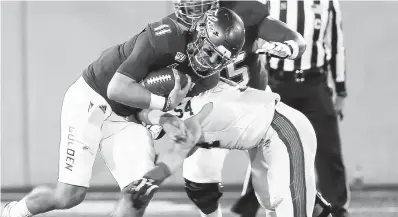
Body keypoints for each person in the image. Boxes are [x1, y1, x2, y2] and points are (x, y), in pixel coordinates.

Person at [1, 7, 246, 217]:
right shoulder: (166, 35)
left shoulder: (207, 80)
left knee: (138, 194)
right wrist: (164, 106)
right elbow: (116, 89)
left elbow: (144, 112)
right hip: (93, 99)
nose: (208, 60)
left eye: (217, 58)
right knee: (68, 196)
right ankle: (14, 211)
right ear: (199, 31)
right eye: (208, 49)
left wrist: (165, 121)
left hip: (128, 118)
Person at [232, 0, 349, 217]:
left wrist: (340, 90)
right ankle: (248, 208)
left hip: (314, 83)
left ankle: (337, 210)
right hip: (278, 82)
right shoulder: (268, 2)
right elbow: (255, 43)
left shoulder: (328, 3)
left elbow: (335, 45)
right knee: (264, 146)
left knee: (328, 150)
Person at [133, 80, 318, 217]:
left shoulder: (194, 112)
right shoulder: (193, 97)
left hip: (283, 130)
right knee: (271, 200)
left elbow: (177, 155)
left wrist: (150, 178)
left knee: (292, 208)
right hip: (262, 137)